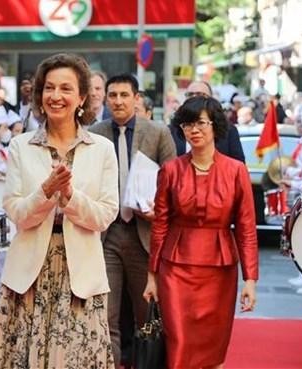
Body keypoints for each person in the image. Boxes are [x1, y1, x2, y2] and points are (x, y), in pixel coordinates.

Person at [0, 53, 118, 368]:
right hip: (28, 274)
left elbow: (105, 215)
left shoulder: (102, 149)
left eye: (66, 89)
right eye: (49, 88)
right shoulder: (20, 146)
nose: (56, 96)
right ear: (39, 95)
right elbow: (17, 212)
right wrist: (46, 191)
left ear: (81, 97)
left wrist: (69, 195)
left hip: (82, 273)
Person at [143, 95, 258, 369]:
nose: (193, 130)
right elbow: (160, 224)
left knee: (212, 348)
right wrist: (152, 275)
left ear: (215, 126)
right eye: (187, 124)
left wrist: (250, 280)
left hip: (220, 272)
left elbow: (246, 228)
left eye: (200, 123)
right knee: (179, 343)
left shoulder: (236, 171)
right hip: (175, 268)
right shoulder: (170, 170)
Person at [88, 73, 176, 365]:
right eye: (112, 95)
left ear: (136, 98)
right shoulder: (94, 133)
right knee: (106, 317)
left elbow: (173, 183)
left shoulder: (157, 132)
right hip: (107, 235)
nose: (118, 101)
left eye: (125, 95)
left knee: (146, 316)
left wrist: (158, 212)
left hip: (144, 235)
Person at [171, 81, 246, 162]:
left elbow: (238, 162)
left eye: (200, 95)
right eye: (190, 95)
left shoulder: (228, 130)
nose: (194, 98)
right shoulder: (172, 130)